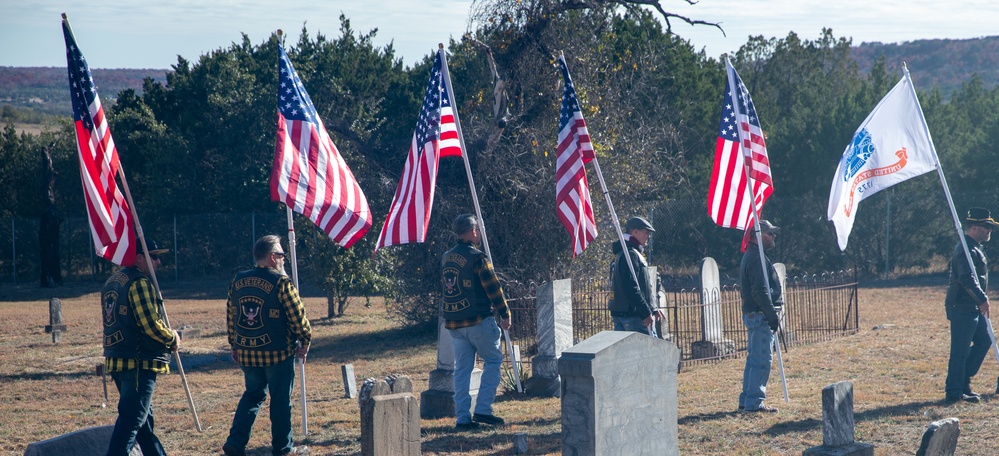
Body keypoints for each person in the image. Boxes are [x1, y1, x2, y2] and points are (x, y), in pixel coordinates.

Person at [223, 235, 311, 456]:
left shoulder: (238, 280)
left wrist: (234, 344)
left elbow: (231, 314)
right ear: (272, 257)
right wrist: (305, 341)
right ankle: (283, 449)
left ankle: (235, 443)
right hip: (278, 353)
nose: (283, 259)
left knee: (252, 395)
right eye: (281, 255)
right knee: (280, 400)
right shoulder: (282, 283)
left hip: (246, 352)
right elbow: (299, 319)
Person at [101, 239, 178, 456]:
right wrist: (172, 338)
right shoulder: (140, 283)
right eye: (153, 256)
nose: (158, 261)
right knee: (131, 421)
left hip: (117, 359)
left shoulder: (112, 281)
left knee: (143, 423)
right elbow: (151, 325)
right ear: (139, 258)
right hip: (138, 362)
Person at [441, 214, 511, 430]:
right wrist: (505, 313)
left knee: (461, 371)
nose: (479, 233)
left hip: (455, 324)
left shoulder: (446, 257)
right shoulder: (478, 257)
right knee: (492, 361)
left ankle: (462, 418)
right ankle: (483, 410)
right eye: (478, 230)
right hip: (479, 320)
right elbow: (493, 287)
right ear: (472, 231)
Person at [944, 207, 998, 403]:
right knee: (960, 350)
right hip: (962, 307)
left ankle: (963, 380)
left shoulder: (974, 247)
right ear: (974, 227)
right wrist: (982, 298)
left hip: (972, 307)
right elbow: (967, 279)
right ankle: (954, 391)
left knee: (984, 340)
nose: (989, 230)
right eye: (986, 226)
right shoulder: (964, 249)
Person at [738, 220, 783, 414]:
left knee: (754, 359)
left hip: (756, 313)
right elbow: (760, 291)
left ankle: (747, 400)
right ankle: (754, 403)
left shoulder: (755, 255)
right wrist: (771, 315)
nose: (773, 237)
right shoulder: (756, 258)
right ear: (758, 235)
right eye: (769, 233)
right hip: (760, 314)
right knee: (761, 360)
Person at [609, 216, 664, 335]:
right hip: (634, 316)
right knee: (648, 352)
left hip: (624, 313)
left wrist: (653, 308)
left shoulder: (623, 253)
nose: (648, 237)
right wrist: (645, 312)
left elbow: (641, 285)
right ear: (635, 232)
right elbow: (631, 287)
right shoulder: (630, 255)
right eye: (646, 233)